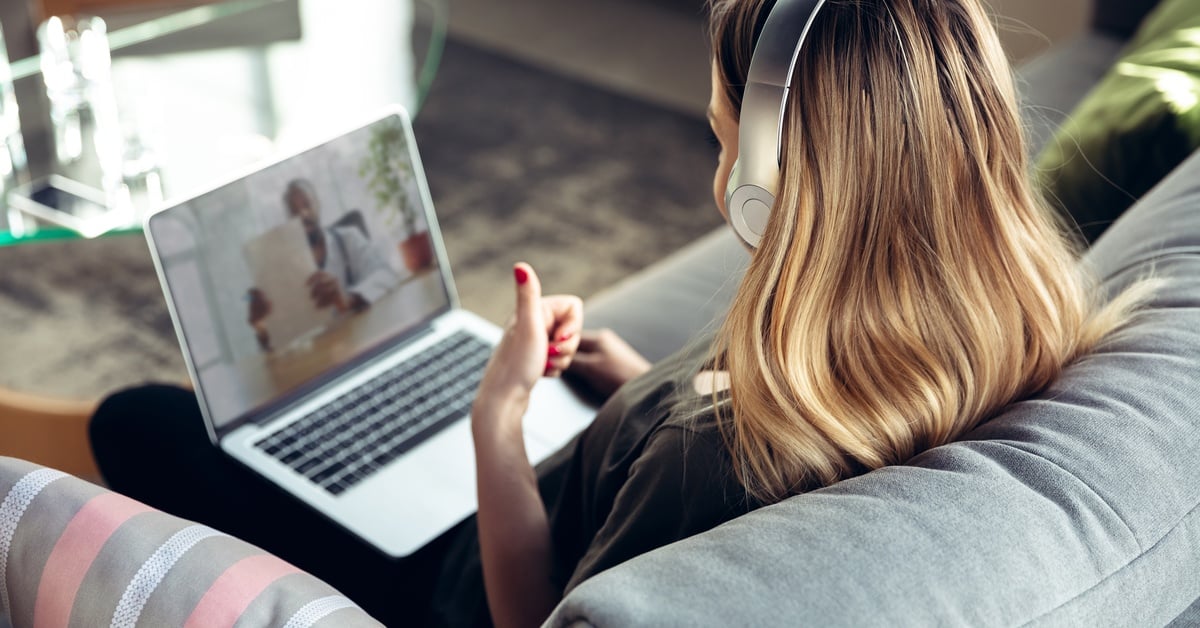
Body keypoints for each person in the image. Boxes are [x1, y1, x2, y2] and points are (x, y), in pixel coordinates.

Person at [89, 0, 1151, 626]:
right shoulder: (975, 309)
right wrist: (637, 382)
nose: (713, 112)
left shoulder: (714, 458)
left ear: (768, 172)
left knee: (137, 420)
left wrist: (497, 427)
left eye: (725, 105)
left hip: (463, 571)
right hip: (606, 452)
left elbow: (530, 609)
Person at [248, 178, 399, 349]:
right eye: (294, 212)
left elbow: (386, 275)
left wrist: (347, 298)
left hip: (362, 343)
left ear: (318, 205)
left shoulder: (347, 238)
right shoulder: (284, 269)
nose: (303, 214)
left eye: (307, 205)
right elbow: (284, 336)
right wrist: (262, 328)